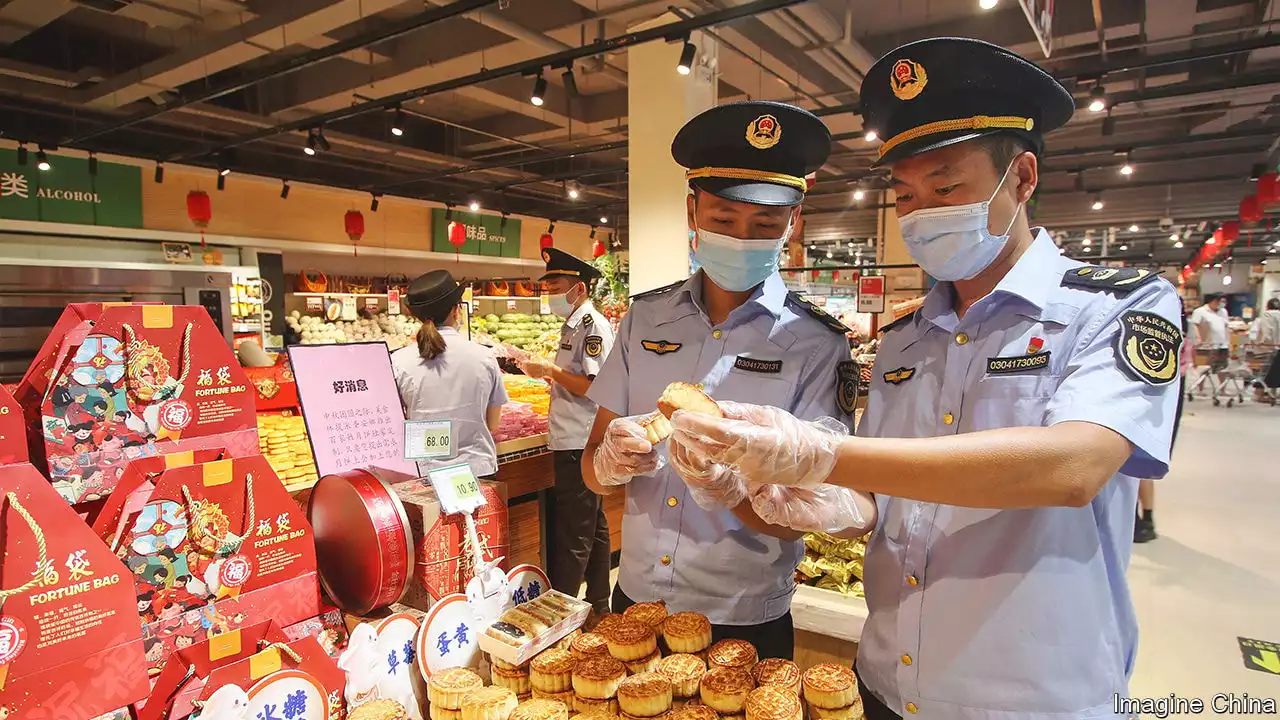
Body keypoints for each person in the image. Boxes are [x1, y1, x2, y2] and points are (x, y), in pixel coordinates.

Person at [669, 39, 1182, 718]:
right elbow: (886, 495)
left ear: (1022, 177)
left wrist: (825, 454)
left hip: (1029, 694)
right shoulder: (905, 340)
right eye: (907, 196)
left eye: (946, 188)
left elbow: (1076, 466)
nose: (921, 214)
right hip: (886, 681)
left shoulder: (1118, 308)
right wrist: (835, 504)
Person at [581, 100, 876, 660]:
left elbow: (805, 518)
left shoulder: (818, 344)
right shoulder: (644, 320)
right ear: (692, 213)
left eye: (766, 223)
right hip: (635, 602)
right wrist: (607, 465)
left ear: (793, 225)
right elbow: (593, 468)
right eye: (723, 219)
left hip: (744, 618)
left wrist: (729, 489)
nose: (743, 237)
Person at [519, 248, 615, 615]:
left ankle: (561, 613)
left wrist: (550, 372)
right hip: (573, 435)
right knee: (593, 524)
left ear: (578, 287)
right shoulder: (573, 323)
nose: (549, 293)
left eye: (555, 285)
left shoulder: (592, 326)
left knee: (574, 530)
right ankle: (598, 604)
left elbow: (594, 386)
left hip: (581, 439)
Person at [392, 269, 507, 479]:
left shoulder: (398, 361)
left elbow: (395, 420)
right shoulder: (484, 356)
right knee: (478, 514)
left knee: (431, 515)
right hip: (476, 468)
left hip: (424, 471)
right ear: (456, 311)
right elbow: (493, 424)